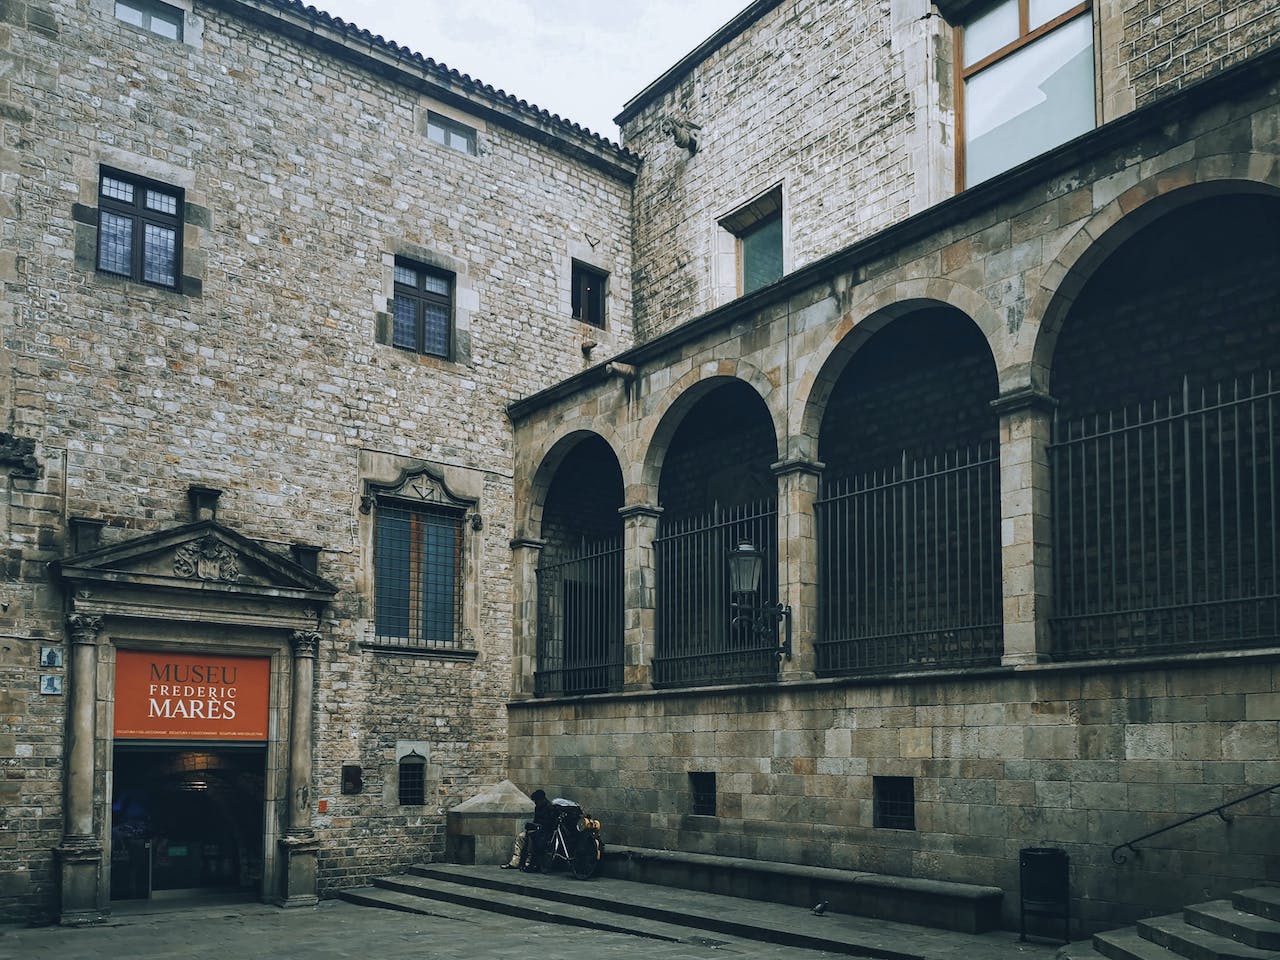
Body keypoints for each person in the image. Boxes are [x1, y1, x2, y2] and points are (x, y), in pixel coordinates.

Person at [500, 789, 556, 870]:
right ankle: (515, 862)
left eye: (537, 801)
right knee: (520, 837)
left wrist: (537, 827)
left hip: (545, 833)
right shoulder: (538, 808)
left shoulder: (550, 808)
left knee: (531, 838)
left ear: (542, 799)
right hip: (536, 830)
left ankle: (529, 862)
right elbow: (536, 820)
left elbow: (550, 824)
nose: (536, 803)